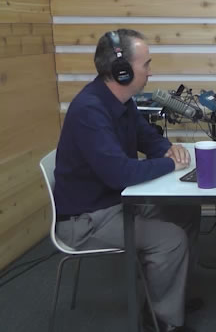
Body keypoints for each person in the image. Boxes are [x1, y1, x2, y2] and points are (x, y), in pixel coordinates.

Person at [53, 29, 201, 332]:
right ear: (122, 71)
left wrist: (166, 149)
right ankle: (160, 322)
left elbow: (147, 137)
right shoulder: (89, 110)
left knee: (187, 209)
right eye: (146, 64)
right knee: (171, 241)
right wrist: (167, 164)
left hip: (114, 201)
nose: (150, 71)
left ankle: (166, 295)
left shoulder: (121, 101)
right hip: (86, 218)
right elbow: (119, 173)